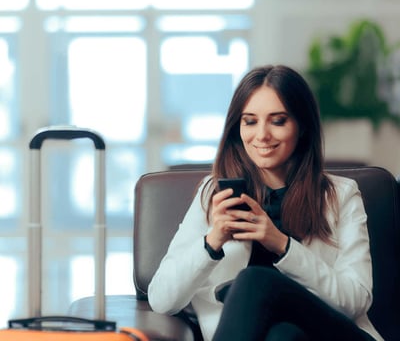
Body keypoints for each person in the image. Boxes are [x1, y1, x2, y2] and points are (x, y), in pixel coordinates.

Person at [148, 65, 382, 341]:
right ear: (238, 128)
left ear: (302, 126)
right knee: (283, 335)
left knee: (252, 281)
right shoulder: (213, 196)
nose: (262, 135)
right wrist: (213, 241)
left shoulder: (341, 195)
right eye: (250, 121)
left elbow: (355, 300)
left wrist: (281, 245)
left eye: (278, 121)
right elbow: (161, 299)